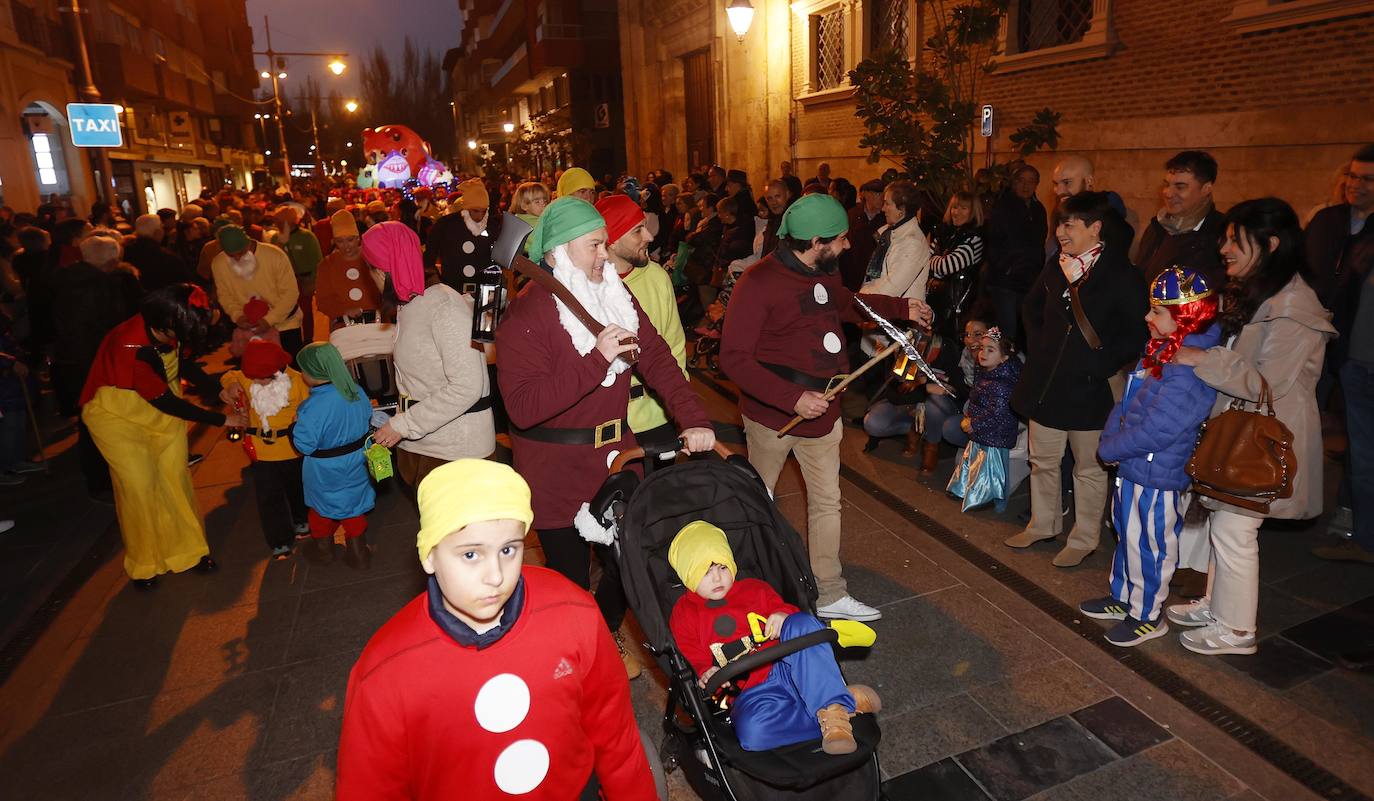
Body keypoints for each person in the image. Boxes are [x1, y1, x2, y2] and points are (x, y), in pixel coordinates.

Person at [336, 458, 657, 800]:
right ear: (428, 555)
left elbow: (615, 734)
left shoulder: (573, 612)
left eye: (508, 549)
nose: (496, 575)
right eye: (471, 554)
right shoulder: (386, 671)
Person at [495, 196, 716, 668]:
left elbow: (655, 357)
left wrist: (693, 417)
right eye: (594, 246)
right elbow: (523, 408)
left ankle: (602, 626)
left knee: (633, 567)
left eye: (604, 244)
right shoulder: (526, 315)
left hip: (616, 462)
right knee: (570, 581)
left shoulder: (615, 293)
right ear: (557, 251)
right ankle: (579, 659)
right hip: (555, 475)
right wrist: (596, 360)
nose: (604, 255)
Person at [720, 194, 932, 622]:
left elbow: (844, 303)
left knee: (826, 502)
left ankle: (829, 591)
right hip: (773, 417)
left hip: (826, 409)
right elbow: (734, 358)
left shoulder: (820, 269)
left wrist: (899, 307)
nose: (849, 245)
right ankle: (747, 582)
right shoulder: (758, 282)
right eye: (840, 239)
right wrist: (792, 398)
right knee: (759, 500)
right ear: (815, 241)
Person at [1166, 199, 1336, 657]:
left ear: (1270, 243)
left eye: (1234, 239)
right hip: (1244, 425)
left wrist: (1203, 358)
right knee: (1225, 523)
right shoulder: (1267, 293)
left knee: (1235, 532)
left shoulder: (1294, 307)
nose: (1224, 248)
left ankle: (1236, 630)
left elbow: (1268, 382)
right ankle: (1215, 605)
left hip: (1264, 437)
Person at [1078, 267, 1221, 646]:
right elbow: (1127, 403)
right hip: (1135, 464)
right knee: (1126, 533)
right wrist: (1112, 436)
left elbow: (1161, 428)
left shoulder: (1190, 369)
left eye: (1157, 311)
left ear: (1183, 318)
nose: (1147, 317)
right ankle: (1124, 597)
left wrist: (1111, 447)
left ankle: (1147, 614)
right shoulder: (1162, 350)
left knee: (1151, 545)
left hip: (1157, 472)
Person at [1007, 192, 1149, 568]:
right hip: (1047, 383)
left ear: (1095, 227)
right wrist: (1040, 349)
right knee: (1044, 460)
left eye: (1070, 224)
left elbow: (1138, 332)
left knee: (1088, 467)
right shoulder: (1057, 264)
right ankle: (1043, 524)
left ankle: (1084, 537)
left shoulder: (1121, 272)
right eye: (1059, 224)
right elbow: (1031, 308)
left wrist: (1102, 364)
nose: (1060, 231)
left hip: (1091, 388)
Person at [667, 520, 881, 755]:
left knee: (801, 623)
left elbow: (794, 621)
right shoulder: (684, 615)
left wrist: (783, 615)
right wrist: (706, 673)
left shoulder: (754, 589)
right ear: (688, 574)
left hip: (789, 669)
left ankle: (830, 706)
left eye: (723, 568)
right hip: (745, 693)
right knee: (753, 735)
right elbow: (693, 658)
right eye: (705, 572)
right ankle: (839, 705)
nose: (717, 578)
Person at [80, 284, 244, 589]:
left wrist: (215, 389)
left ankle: (190, 552)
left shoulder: (169, 328)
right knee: (139, 487)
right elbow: (164, 400)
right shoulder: (129, 346)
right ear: (167, 323)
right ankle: (144, 563)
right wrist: (223, 418)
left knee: (175, 480)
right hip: (117, 418)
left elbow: (182, 364)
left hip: (161, 415)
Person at [365, 221, 495, 491]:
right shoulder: (412, 305)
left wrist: (404, 424)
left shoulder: (442, 308)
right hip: (427, 445)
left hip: (456, 453)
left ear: (380, 270)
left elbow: (467, 386)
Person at [1308, 144, 1374, 565]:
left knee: (1361, 444)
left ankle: (1357, 528)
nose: (1356, 185)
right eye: (1352, 176)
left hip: (1356, 349)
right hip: (1318, 340)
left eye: (1367, 179)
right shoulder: (1328, 220)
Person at [595, 195, 689, 449]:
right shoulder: (587, 286)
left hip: (657, 415)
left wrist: (681, 409)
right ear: (611, 242)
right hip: (605, 421)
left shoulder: (658, 277)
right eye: (638, 230)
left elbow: (675, 346)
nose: (649, 236)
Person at [219, 339, 310, 560]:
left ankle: (302, 520)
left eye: (264, 377)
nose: (258, 381)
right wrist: (230, 385)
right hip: (261, 452)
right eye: (254, 377)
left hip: (292, 448)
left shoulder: (296, 381)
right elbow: (228, 376)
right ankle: (279, 540)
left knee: (298, 488)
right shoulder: (245, 378)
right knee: (268, 499)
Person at [292, 342, 377, 569]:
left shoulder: (312, 407)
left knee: (320, 509)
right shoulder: (356, 391)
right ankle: (359, 552)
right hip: (357, 460)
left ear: (312, 373)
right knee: (353, 504)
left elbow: (304, 445)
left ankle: (324, 551)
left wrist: (294, 429)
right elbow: (368, 417)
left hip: (323, 469)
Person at [946, 328, 1022, 512]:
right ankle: (963, 488)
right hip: (980, 432)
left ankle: (984, 496)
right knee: (972, 461)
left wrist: (974, 423)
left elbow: (997, 414)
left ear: (1004, 358)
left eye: (990, 350)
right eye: (982, 348)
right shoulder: (985, 374)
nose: (983, 353)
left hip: (995, 435)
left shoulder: (1003, 384)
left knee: (988, 468)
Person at [1135, 151, 1226, 288]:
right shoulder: (1156, 228)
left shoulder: (1221, 234)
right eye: (1166, 185)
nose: (1168, 193)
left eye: (1180, 187)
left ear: (1206, 189)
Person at [211, 225, 304, 358]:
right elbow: (224, 295)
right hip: (249, 329)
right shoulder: (218, 263)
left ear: (248, 243)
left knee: (291, 367)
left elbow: (291, 293)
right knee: (257, 373)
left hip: (285, 325)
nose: (237, 258)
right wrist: (237, 316)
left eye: (241, 252)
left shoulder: (274, 255)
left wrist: (268, 320)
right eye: (232, 255)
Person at [983, 165, 1048, 346]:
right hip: (1005, 280)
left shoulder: (1038, 209)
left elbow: (1039, 242)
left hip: (1030, 279)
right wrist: (1007, 267)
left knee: (1026, 329)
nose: (1026, 186)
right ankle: (1002, 368)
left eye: (1031, 182)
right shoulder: (1002, 207)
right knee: (1006, 331)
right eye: (1021, 181)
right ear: (1013, 182)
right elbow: (995, 241)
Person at [927, 191, 986, 338]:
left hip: (959, 308)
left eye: (963, 208)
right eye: (954, 207)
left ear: (973, 212)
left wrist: (933, 260)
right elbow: (923, 261)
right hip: (936, 303)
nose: (956, 212)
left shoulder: (974, 239)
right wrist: (935, 260)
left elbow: (945, 267)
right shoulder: (945, 234)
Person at [861, 180, 931, 302]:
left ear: (901, 210)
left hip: (904, 316)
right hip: (889, 312)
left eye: (887, 204)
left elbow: (891, 289)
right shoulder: (889, 234)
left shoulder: (912, 242)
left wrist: (861, 296)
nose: (883, 209)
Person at [426, 178, 499, 295]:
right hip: (452, 290)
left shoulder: (493, 225)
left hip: (484, 289)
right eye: (475, 211)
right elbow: (430, 255)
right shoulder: (445, 225)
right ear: (467, 207)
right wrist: (436, 281)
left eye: (484, 211)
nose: (480, 216)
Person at [315, 209, 385, 329]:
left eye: (350, 240)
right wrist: (343, 310)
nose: (346, 246)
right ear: (334, 241)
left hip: (378, 324)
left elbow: (387, 291)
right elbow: (322, 300)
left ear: (358, 238)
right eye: (340, 241)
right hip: (342, 326)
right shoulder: (327, 265)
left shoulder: (374, 258)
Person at [274, 208, 323, 346]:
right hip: (282, 282)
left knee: (306, 312)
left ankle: (308, 340)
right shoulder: (275, 238)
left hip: (303, 280)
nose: (276, 224)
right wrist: (281, 242)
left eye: (279, 221)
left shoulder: (307, 237)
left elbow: (317, 261)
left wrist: (313, 282)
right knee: (286, 313)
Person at [839, 179, 886, 291]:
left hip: (874, 276)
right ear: (865, 194)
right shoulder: (852, 215)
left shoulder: (886, 218)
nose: (881, 198)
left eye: (882, 194)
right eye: (877, 194)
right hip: (850, 273)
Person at [124, 214, 191, 292]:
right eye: (162, 228)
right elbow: (185, 285)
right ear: (157, 232)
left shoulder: (124, 254)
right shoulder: (168, 258)